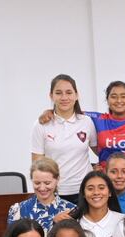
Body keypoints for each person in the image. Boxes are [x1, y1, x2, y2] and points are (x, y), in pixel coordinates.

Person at [31, 74, 98, 204]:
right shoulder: (41, 124)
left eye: (69, 92)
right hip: (55, 192)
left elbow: (101, 151)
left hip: (84, 191)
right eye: (58, 93)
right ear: (51, 96)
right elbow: (37, 165)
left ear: (76, 95)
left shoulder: (87, 122)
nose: (64, 97)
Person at [7, 157, 76, 235]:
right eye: (37, 183)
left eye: (47, 183)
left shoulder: (70, 210)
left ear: (57, 180)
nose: (42, 188)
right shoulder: (18, 210)